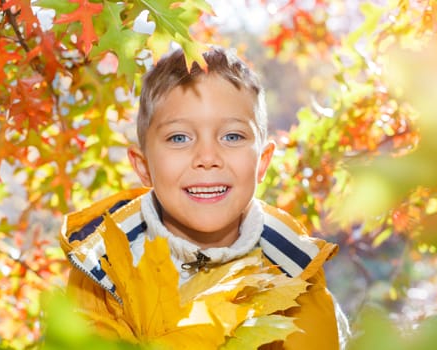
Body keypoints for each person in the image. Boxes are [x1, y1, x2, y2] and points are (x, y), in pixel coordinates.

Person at [59, 46, 350, 349]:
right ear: (143, 167)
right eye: (179, 138)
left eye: (232, 136)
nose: (208, 157)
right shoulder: (101, 270)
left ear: (262, 163)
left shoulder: (294, 269)